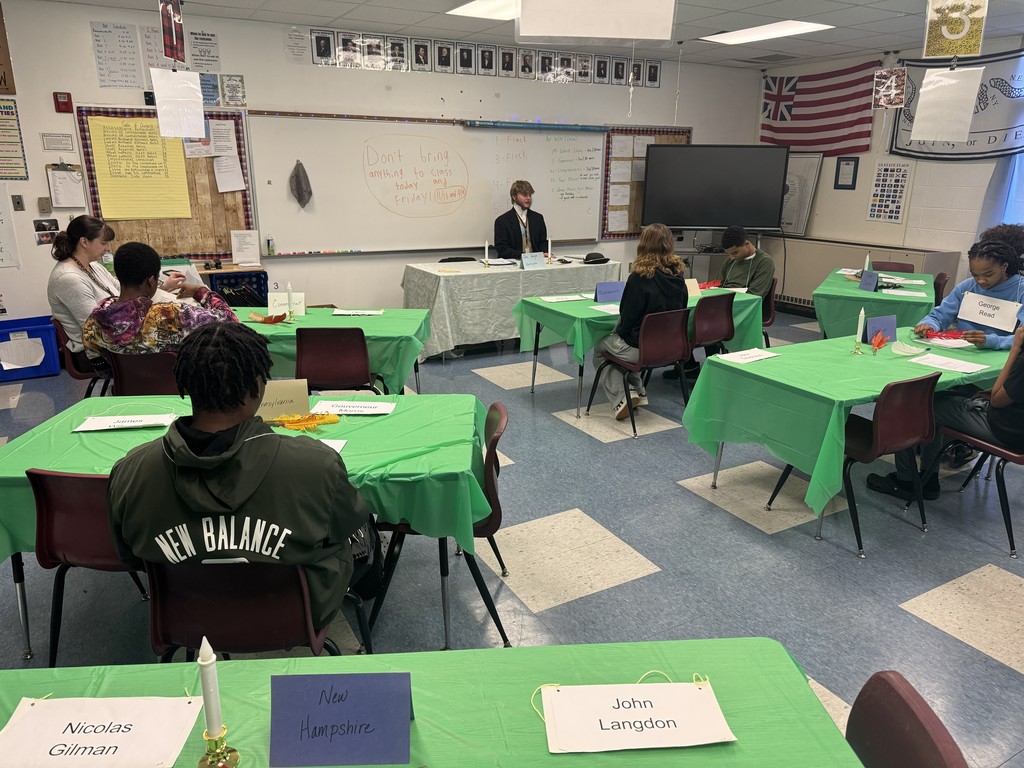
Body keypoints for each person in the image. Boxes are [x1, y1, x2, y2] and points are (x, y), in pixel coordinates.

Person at [107, 322, 370, 631]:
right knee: (362, 537)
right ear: (259, 387)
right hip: (296, 619)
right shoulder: (319, 466)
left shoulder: (129, 472)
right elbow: (347, 522)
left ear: (186, 385)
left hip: (185, 620)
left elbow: (130, 556)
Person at [867, 323, 1024, 502]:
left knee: (913, 405)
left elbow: (997, 398)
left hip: (1005, 428)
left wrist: (1015, 349)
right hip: (1013, 424)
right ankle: (929, 478)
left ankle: (905, 481)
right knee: (940, 398)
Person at [47, 215, 184, 359]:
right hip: (97, 351)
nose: (107, 248)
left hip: (115, 337)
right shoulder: (67, 278)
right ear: (84, 242)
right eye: (104, 243)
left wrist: (162, 286)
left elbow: (127, 291)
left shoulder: (94, 266)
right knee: (177, 344)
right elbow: (95, 328)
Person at [592, 223, 687, 419]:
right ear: (669, 244)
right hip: (673, 348)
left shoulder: (639, 278)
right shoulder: (679, 276)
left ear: (643, 245)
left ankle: (623, 396)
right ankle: (638, 391)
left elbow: (627, 319)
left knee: (602, 348)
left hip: (642, 350)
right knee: (619, 347)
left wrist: (620, 335)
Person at [82, 241, 237, 355]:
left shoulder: (95, 319)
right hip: (176, 393)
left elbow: (101, 367)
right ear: (151, 281)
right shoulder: (169, 315)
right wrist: (200, 291)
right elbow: (231, 324)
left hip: (127, 393)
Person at [912, 239, 1024, 350]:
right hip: (963, 349)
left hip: (1004, 353)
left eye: (988, 274)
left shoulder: (1020, 290)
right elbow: (940, 315)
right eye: (975, 275)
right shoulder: (967, 286)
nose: (980, 281)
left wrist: (993, 341)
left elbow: (1022, 336)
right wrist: (928, 324)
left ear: (1004, 267)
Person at [494, 180, 548, 261]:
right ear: (514, 197)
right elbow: (502, 248)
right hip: (514, 263)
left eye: (530, 195)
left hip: (537, 264)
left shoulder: (538, 218)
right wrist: (523, 256)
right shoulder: (502, 221)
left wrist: (545, 252)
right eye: (525, 195)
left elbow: (543, 242)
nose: (528, 198)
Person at [717, 225, 775, 298]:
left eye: (735, 253)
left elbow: (755, 295)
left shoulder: (764, 262)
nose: (732, 258)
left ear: (747, 244)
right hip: (724, 300)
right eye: (728, 254)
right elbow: (718, 284)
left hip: (744, 303)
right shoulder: (729, 260)